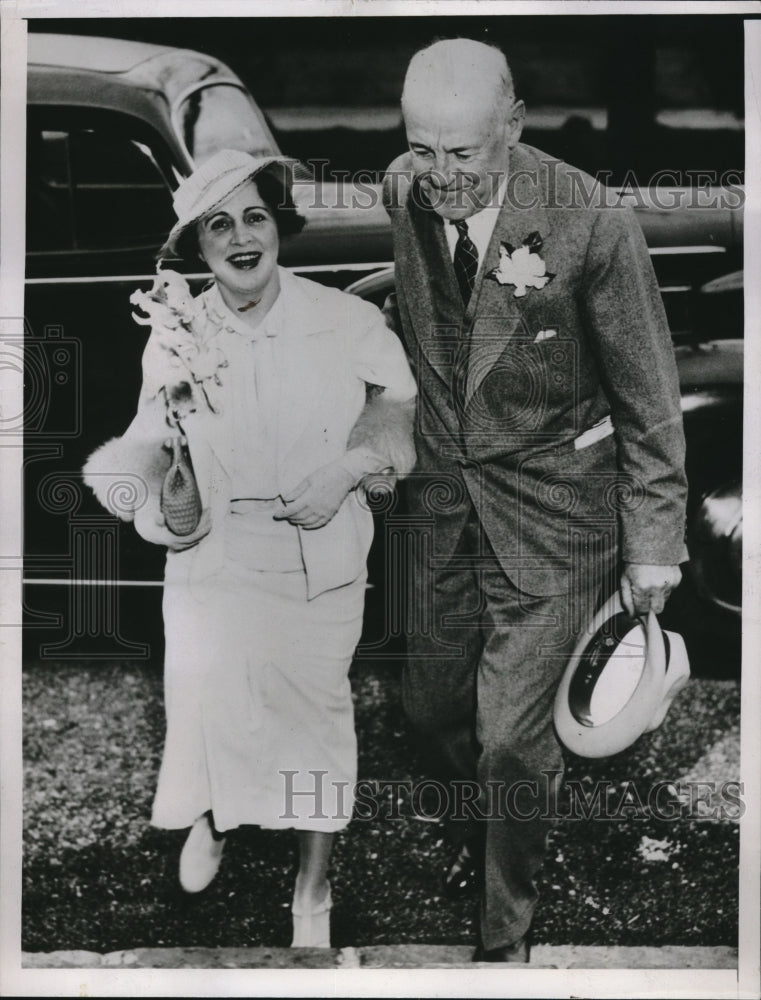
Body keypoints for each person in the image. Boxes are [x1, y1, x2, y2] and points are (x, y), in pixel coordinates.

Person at [382, 39, 688, 961]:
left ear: (512, 127)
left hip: (556, 516)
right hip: (437, 507)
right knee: (429, 706)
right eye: (422, 150)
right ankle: (486, 826)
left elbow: (648, 397)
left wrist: (652, 544)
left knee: (512, 741)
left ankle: (504, 927)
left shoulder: (591, 223)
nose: (438, 177)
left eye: (462, 155)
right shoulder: (404, 187)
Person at [84, 149, 416, 948]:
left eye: (255, 217)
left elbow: (396, 408)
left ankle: (311, 889)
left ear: (281, 227)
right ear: (196, 248)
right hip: (214, 560)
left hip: (318, 553)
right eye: (218, 225)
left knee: (315, 724)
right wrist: (169, 483)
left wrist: (344, 472)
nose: (240, 237)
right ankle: (218, 811)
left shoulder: (344, 321)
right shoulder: (174, 334)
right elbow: (148, 443)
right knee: (211, 707)